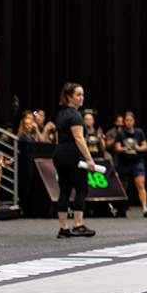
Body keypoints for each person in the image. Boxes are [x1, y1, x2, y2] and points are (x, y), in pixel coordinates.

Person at [52, 83, 96, 238]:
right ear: (69, 97)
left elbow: (57, 137)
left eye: (82, 95)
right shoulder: (75, 115)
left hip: (59, 153)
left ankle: (63, 228)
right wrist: (89, 159)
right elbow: (79, 138)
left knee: (64, 190)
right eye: (78, 95)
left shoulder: (61, 114)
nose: (81, 98)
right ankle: (78, 225)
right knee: (81, 189)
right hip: (71, 154)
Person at [116, 111, 147, 217]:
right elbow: (117, 148)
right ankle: (122, 208)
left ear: (134, 121)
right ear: (124, 122)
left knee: (140, 185)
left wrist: (138, 148)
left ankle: (145, 208)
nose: (129, 122)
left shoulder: (139, 132)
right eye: (127, 120)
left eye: (131, 120)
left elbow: (145, 147)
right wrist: (125, 149)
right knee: (123, 187)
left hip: (137, 162)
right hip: (124, 163)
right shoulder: (120, 134)